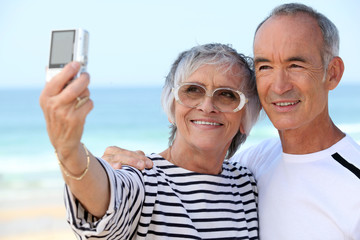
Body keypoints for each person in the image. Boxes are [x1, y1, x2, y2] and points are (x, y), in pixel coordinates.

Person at [103, 3, 360, 239]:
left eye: (295, 65)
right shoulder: (252, 165)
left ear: (333, 73)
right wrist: (109, 172)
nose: (279, 86)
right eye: (265, 67)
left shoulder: (354, 184)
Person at [39, 43, 262, 239]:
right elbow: (104, 197)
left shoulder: (247, 184)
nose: (207, 106)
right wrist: (69, 149)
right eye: (192, 90)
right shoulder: (146, 179)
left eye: (227, 95)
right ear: (171, 108)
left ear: (246, 118)